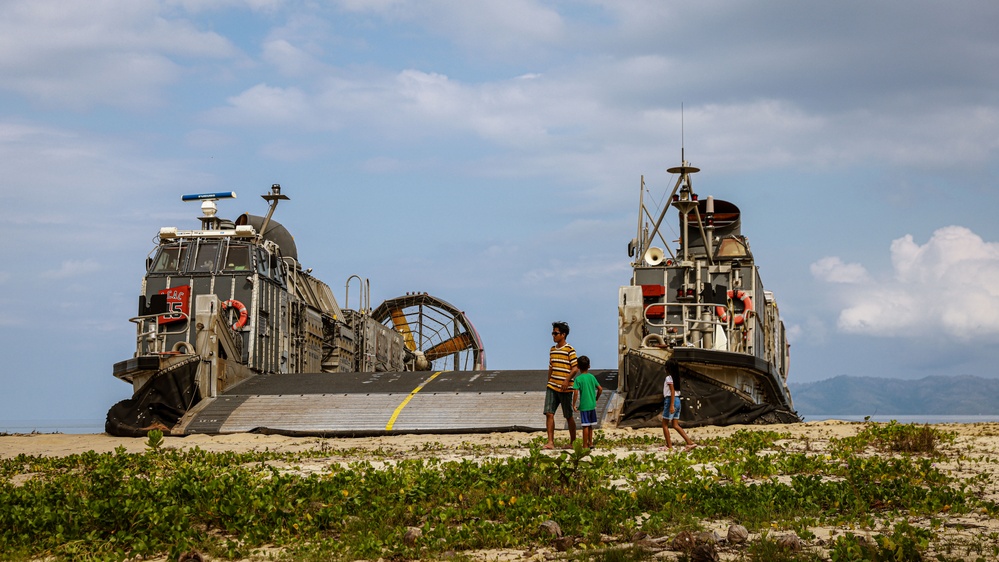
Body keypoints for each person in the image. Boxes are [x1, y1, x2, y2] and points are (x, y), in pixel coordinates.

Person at [544, 321, 578, 450]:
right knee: (549, 413)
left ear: (563, 334)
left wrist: (566, 380)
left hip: (566, 388)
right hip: (552, 386)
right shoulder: (552, 350)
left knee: (568, 415)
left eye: (555, 333)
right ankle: (550, 442)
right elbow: (551, 367)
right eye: (553, 333)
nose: (553, 335)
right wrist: (548, 382)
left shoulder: (570, 349)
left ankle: (573, 441)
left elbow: (575, 368)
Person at [660, 360, 696, 451]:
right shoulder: (676, 378)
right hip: (677, 400)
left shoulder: (668, 378)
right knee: (675, 424)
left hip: (670, 400)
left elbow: (672, 391)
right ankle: (689, 442)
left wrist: (671, 405)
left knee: (664, 424)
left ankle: (669, 446)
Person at [572, 355, 602, 449]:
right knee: (590, 425)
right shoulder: (592, 377)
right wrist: (596, 398)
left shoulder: (578, 379)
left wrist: (574, 404)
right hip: (592, 404)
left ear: (578, 367)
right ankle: (591, 443)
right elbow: (600, 389)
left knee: (585, 425)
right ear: (589, 366)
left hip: (584, 405)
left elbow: (576, 393)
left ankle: (585, 445)